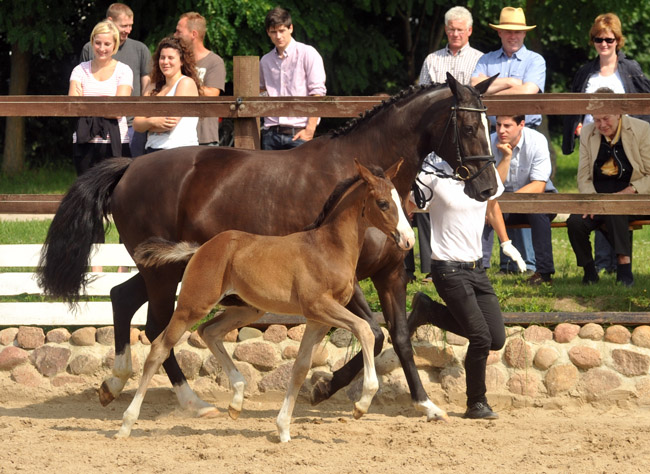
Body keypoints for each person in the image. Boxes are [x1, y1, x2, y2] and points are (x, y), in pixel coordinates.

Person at [407, 156, 522, 420]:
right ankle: (476, 404)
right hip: (447, 269)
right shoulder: (433, 173)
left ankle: (427, 310)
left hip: (477, 268)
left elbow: (492, 208)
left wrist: (506, 243)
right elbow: (408, 204)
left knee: (496, 338)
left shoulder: (484, 171)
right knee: (480, 338)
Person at [561, 12, 650, 274]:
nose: (604, 44)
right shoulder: (586, 72)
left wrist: (632, 130)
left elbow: (642, 102)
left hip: (625, 137)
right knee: (600, 190)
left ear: (617, 40)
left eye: (609, 39)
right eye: (599, 39)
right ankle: (600, 265)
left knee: (618, 196)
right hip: (595, 135)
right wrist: (581, 126)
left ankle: (618, 267)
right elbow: (576, 102)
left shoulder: (630, 69)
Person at [407, 6, 484, 282]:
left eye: (460, 29)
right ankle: (430, 264)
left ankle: (471, 259)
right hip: (435, 136)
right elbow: (422, 94)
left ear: (469, 31)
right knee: (427, 192)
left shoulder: (480, 60)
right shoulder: (432, 60)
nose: (455, 33)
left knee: (466, 198)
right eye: (451, 29)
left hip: (464, 137)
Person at [566, 99, 650, 287]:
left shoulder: (642, 129)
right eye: (597, 120)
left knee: (615, 208)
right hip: (598, 196)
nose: (602, 125)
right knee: (575, 222)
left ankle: (624, 270)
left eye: (606, 118)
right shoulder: (588, 132)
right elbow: (583, 176)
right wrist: (593, 200)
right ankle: (589, 272)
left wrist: (632, 189)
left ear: (619, 113)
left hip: (636, 196)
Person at [482, 115, 556, 285]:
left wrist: (501, 204)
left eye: (507, 126)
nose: (501, 130)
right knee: (482, 211)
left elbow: (538, 186)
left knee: (538, 210)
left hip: (532, 200)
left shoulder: (537, 140)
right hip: (501, 202)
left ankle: (544, 274)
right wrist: (506, 157)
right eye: (498, 125)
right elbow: (492, 186)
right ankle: (479, 271)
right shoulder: (489, 142)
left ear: (521, 124)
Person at [81, 3, 151, 157]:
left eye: (130, 26)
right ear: (110, 21)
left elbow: (147, 83)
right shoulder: (90, 49)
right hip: (92, 123)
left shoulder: (140, 49)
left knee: (131, 174)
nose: (128, 30)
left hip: (132, 125)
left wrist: (142, 113)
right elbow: (81, 85)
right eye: (124, 25)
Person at [69, 20, 133, 175]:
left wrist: (87, 102)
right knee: (85, 193)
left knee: (116, 193)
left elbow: (119, 109)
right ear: (92, 42)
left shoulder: (124, 71)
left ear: (115, 45)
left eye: (107, 44)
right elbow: (74, 106)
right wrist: (106, 103)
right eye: (98, 43)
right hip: (85, 141)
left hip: (116, 141)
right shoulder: (79, 70)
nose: (102, 48)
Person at [259, 6, 326, 150]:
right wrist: (266, 106)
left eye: (282, 30)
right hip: (271, 133)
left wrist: (310, 129)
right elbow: (261, 89)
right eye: (273, 32)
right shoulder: (265, 60)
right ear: (268, 33)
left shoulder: (308, 53)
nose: (278, 36)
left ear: (291, 28)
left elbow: (318, 94)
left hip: (299, 133)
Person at [470, 7, 545, 129]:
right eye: (508, 31)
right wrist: (511, 82)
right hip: (491, 131)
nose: (513, 36)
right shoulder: (486, 59)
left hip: (525, 130)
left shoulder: (535, 60)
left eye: (517, 32)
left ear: (524, 33)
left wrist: (488, 92)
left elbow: (527, 92)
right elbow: (474, 86)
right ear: (500, 32)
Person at [134, 37, 201, 152]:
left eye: (171, 58)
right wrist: (152, 121)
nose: (165, 62)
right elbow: (136, 124)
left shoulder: (185, 83)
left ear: (182, 61)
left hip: (179, 150)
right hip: (152, 149)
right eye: (162, 57)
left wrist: (146, 124)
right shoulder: (152, 85)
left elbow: (169, 123)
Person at [175, 12, 227, 146]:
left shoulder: (214, 62)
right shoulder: (176, 61)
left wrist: (184, 84)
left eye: (179, 32)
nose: (175, 36)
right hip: (178, 135)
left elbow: (212, 94)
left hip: (204, 136)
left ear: (193, 34)